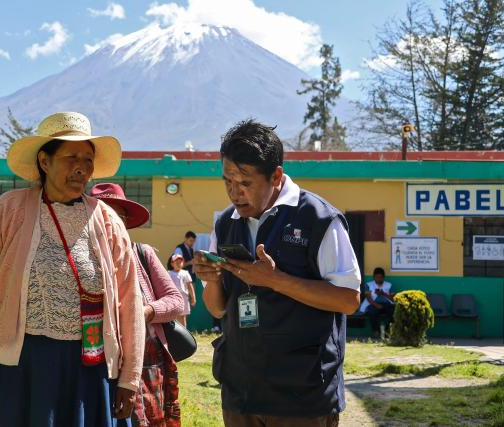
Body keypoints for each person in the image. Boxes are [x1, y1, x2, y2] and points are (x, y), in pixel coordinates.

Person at [0, 112, 144, 427]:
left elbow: (130, 303)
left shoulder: (108, 222)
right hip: (19, 368)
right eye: (71, 157)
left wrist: (129, 379)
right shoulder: (8, 210)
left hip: (89, 369)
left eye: (88, 158)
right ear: (44, 161)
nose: (81, 166)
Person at [193, 119, 361, 426]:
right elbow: (218, 308)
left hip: (301, 396)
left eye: (245, 183)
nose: (235, 193)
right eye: (228, 182)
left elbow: (348, 300)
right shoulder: (226, 223)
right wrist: (213, 278)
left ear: (276, 176)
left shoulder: (319, 219)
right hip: (240, 392)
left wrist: (276, 281)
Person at [89, 182, 185, 427]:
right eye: (101, 215)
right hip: (95, 363)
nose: (108, 223)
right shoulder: (83, 258)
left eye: (115, 216)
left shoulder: (141, 254)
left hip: (145, 363)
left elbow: (176, 301)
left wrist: (146, 312)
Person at [360, 267, 395, 337]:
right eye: (377, 277)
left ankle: (387, 331)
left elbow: (392, 299)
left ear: (384, 277)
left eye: (381, 277)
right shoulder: (369, 285)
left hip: (386, 305)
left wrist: (383, 294)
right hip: (373, 305)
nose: (379, 279)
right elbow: (368, 298)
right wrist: (376, 305)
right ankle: (376, 331)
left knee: (392, 310)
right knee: (371, 311)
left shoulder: (389, 285)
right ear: (374, 277)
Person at [169, 254, 196, 327]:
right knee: (173, 317)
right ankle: (175, 333)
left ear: (183, 263)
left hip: (184, 298)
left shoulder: (185, 273)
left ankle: (184, 334)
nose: (178, 263)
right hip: (173, 298)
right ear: (172, 263)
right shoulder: (169, 274)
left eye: (180, 262)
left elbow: (190, 286)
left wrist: (193, 298)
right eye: (176, 262)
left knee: (183, 317)